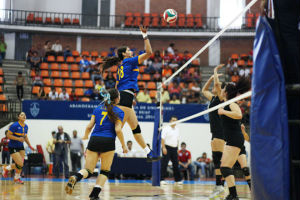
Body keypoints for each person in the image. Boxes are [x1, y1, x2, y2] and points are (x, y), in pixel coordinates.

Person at [102, 25, 157, 161]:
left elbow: (116, 85)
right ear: (124, 54)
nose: (130, 50)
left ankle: (149, 153)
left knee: (135, 128)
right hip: (125, 96)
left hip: (125, 96)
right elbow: (149, 52)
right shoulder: (128, 61)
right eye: (128, 50)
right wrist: (145, 35)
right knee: (117, 128)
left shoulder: (122, 65)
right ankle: (102, 150)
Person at [65, 88, 128, 199]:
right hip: (108, 142)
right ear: (116, 98)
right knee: (104, 171)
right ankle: (94, 194)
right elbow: (118, 130)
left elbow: (89, 126)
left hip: (94, 140)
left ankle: (75, 176)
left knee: (88, 170)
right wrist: (123, 145)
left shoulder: (98, 109)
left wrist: (85, 135)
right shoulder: (120, 112)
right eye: (119, 96)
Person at [218, 77, 250, 200]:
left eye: (223, 89)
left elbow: (239, 114)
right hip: (231, 139)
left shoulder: (231, 103)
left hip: (235, 139)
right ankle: (233, 194)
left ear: (226, 92)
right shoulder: (226, 102)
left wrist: (223, 112)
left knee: (225, 167)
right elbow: (218, 89)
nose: (221, 90)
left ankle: (233, 195)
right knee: (225, 167)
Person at [202, 64, 226, 199]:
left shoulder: (222, 99)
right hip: (215, 132)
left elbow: (217, 85)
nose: (214, 87)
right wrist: (211, 78)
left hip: (220, 131)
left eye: (217, 86)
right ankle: (220, 185)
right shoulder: (213, 99)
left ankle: (221, 185)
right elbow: (203, 90)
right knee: (217, 159)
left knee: (220, 160)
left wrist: (215, 71)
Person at [2, 112, 35, 184]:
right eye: (22, 115)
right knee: (20, 163)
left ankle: (16, 177)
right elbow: (8, 135)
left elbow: (25, 137)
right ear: (18, 117)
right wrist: (18, 139)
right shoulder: (15, 125)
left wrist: (30, 145)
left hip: (21, 146)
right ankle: (8, 169)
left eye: (24, 115)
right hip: (13, 146)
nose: (24, 116)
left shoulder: (26, 126)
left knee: (20, 164)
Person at [160, 116, 182, 184]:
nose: (174, 121)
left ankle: (177, 180)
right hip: (167, 148)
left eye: (175, 120)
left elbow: (177, 140)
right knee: (164, 164)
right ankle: (162, 179)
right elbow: (162, 139)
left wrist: (177, 149)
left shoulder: (177, 129)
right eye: (173, 120)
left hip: (174, 148)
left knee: (176, 164)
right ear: (170, 121)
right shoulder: (166, 128)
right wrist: (163, 148)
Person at [237, 124, 251, 190]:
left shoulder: (240, 125)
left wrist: (243, 131)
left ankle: (251, 189)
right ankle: (222, 188)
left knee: (245, 170)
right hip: (230, 149)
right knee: (225, 169)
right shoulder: (226, 123)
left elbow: (248, 139)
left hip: (240, 149)